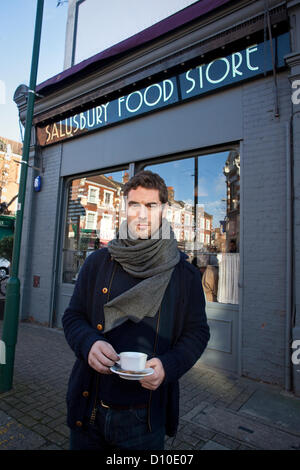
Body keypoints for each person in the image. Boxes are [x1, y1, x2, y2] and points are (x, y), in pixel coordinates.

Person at [62, 170, 210, 451]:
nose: (141, 215)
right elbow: (72, 316)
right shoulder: (98, 262)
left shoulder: (184, 274)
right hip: (90, 406)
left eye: (150, 206)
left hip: (144, 419)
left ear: (163, 210)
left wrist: (169, 367)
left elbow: (198, 333)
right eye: (134, 205)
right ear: (124, 207)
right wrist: (88, 342)